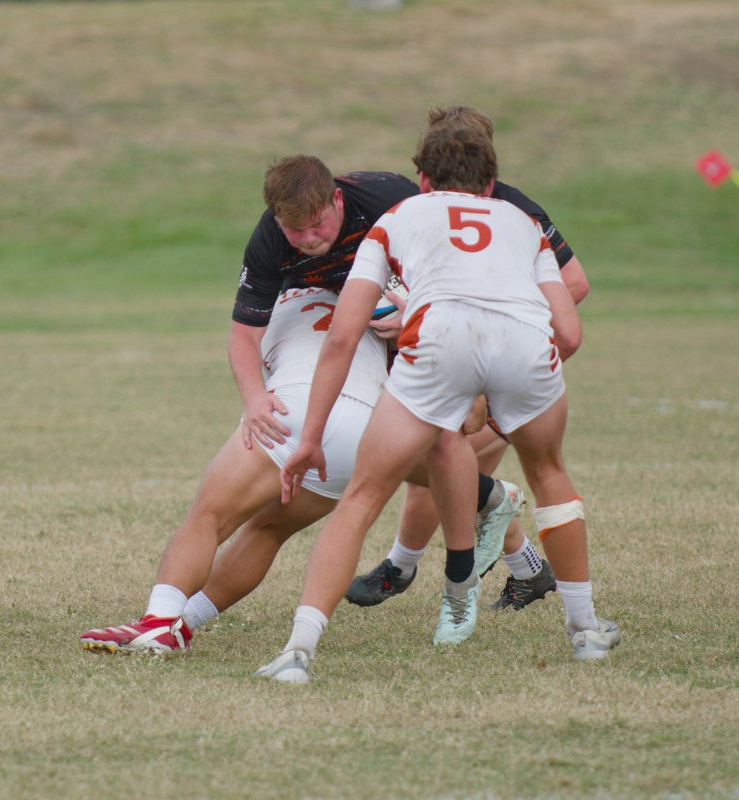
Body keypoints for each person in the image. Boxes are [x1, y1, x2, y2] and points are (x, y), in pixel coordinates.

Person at [257, 121, 619, 683]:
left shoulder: (396, 218)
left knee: (362, 496)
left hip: (439, 341)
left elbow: (344, 337)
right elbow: (568, 333)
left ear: (421, 178)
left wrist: (310, 440)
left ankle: (298, 651)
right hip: (525, 342)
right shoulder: (525, 224)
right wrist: (505, 399)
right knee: (550, 474)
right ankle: (587, 631)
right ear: (491, 179)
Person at [346, 104, 591, 611]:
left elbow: (575, 284)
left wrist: (507, 339)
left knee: (443, 461)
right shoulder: (420, 202)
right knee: (451, 467)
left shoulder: (516, 210)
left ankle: (403, 567)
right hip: (453, 348)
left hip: (500, 366)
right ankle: (529, 573)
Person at [79, 287, 388, 652]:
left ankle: (159, 622)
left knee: (209, 517)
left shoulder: (273, 288)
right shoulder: (376, 295)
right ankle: (183, 625)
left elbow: (243, 339)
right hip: (363, 429)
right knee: (269, 530)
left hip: (297, 409)